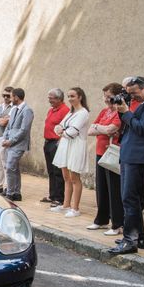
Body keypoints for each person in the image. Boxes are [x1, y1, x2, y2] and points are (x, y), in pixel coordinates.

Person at [109, 76, 144, 255]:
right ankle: (139, 238)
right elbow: (130, 124)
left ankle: (129, 241)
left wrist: (126, 112)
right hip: (131, 155)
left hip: (138, 156)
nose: (132, 97)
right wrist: (122, 110)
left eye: (134, 93)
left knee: (129, 198)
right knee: (132, 198)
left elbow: (141, 127)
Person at [87, 83, 124, 235]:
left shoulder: (119, 112)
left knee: (114, 189)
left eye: (109, 97)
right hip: (100, 151)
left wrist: (99, 128)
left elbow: (112, 129)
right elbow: (90, 130)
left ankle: (117, 224)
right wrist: (102, 129)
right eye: (105, 97)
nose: (106, 100)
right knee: (101, 187)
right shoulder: (104, 112)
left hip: (113, 152)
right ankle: (101, 220)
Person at [51, 87, 90, 218]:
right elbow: (59, 126)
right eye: (68, 96)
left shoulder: (83, 113)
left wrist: (63, 132)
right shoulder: (71, 112)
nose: (70, 99)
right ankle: (66, 205)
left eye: (72, 96)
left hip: (76, 146)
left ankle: (75, 208)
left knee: (74, 178)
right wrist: (61, 130)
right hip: (66, 145)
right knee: (66, 177)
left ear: (80, 97)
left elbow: (73, 132)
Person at [1, 88, 34, 202]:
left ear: (16, 97)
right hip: (9, 143)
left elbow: (24, 130)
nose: (10, 99)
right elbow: (9, 126)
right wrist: (4, 138)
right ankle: (16, 193)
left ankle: (9, 193)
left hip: (18, 144)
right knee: (14, 168)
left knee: (10, 167)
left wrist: (11, 141)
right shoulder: (14, 109)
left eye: (11, 97)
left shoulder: (27, 110)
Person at [42, 88, 70, 207]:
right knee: (51, 171)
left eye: (51, 98)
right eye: (49, 98)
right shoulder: (51, 110)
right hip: (48, 142)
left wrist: (59, 142)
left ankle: (59, 198)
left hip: (56, 143)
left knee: (58, 172)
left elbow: (67, 128)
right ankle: (52, 195)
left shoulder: (65, 110)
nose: (49, 100)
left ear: (59, 99)